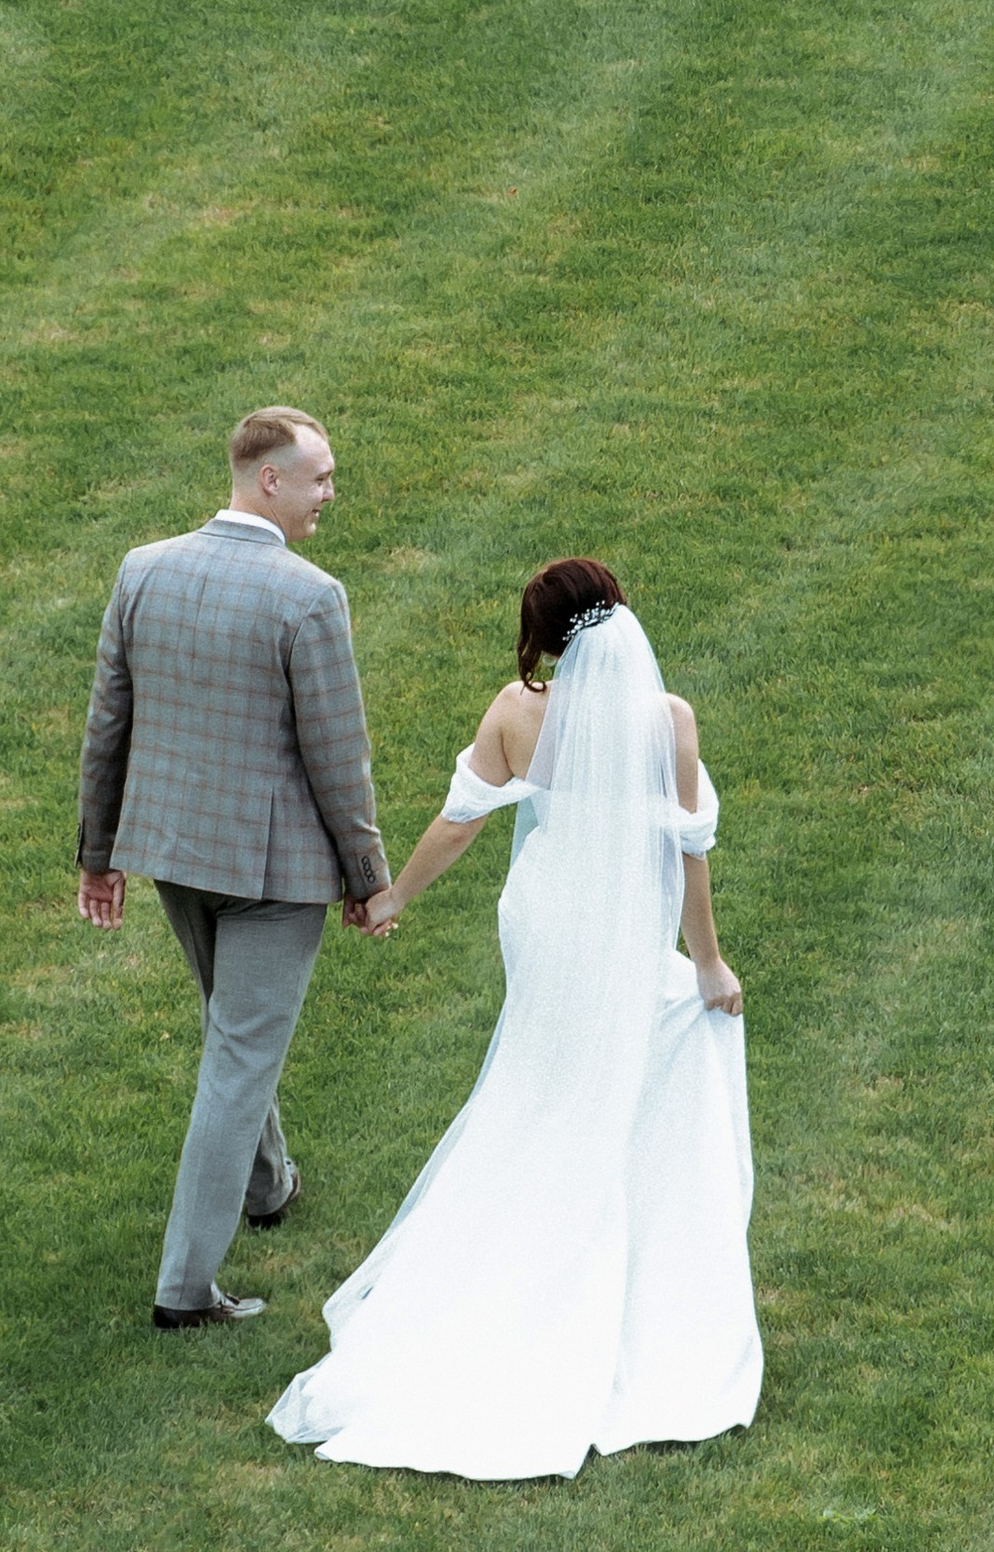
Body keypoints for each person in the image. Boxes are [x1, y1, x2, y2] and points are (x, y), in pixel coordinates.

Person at [268, 559, 759, 1478]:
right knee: (604, 1074)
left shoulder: (515, 712)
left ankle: (522, 1240)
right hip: (619, 925)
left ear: (548, 638)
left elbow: (461, 822)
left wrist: (391, 898)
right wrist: (707, 962)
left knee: (543, 1078)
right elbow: (689, 852)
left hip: (544, 921)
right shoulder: (669, 722)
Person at [78, 408, 390, 1329]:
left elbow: (107, 724)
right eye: (321, 478)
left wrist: (99, 856)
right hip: (273, 876)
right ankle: (183, 1292)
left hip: (174, 855)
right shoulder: (310, 597)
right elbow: (339, 757)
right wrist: (367, 876)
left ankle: (268, 1186)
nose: (331, 493)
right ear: (270, 480)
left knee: (234, 1036)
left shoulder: (145, 568)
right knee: (239, 1059)